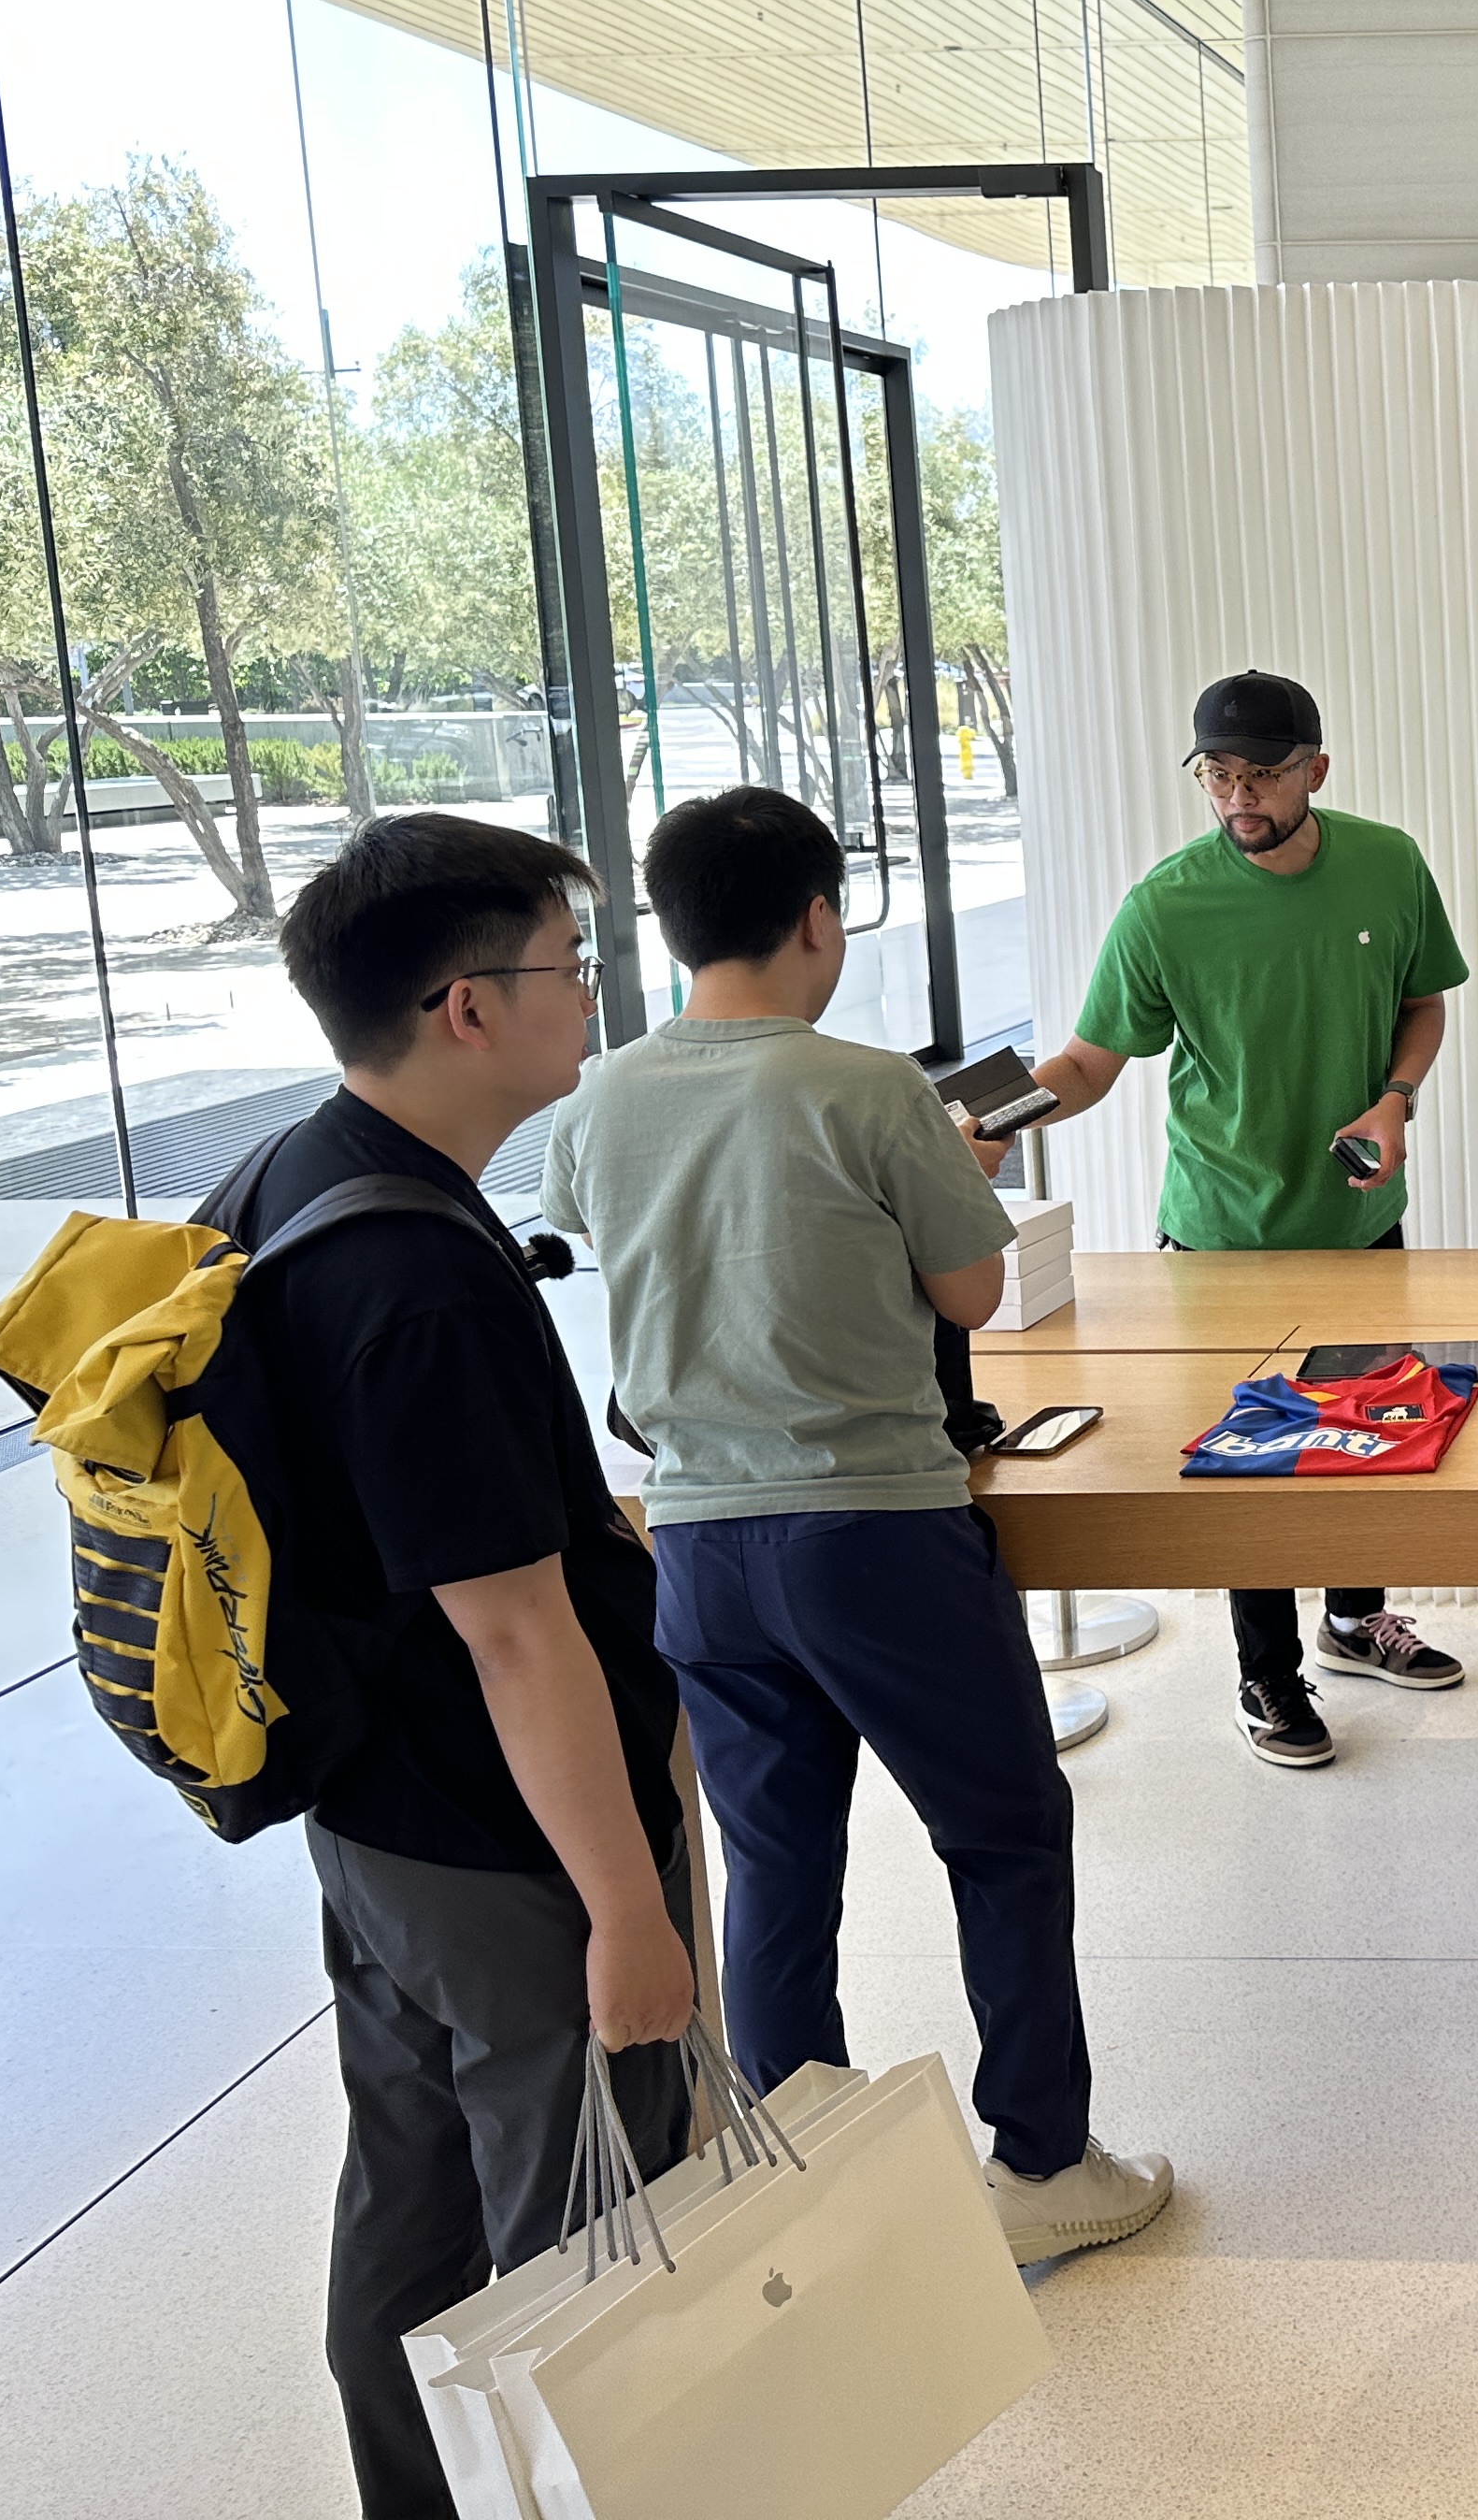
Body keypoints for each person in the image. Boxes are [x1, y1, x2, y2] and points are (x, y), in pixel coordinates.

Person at [544, 786, 1170, 2265]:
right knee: (1004, 1836)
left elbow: (608, 1238)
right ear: (820, 919)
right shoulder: (866, 1085)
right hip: (873, 1531)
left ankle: (806, 2177)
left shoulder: (600, 1098)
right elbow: (969, 1294)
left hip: (694, 1539)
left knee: (776, 1867)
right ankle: (1040, 2163)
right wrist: (953, 1182)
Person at [257, 815, 695, 2518]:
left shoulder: (301, 1174)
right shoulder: (414, 1278)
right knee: (581, 2231)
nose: (589, 998)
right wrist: (628, 1908)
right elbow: (514, 1633)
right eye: (568, 967)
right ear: (462, 1005)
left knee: (412, 2201)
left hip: (378, 1815)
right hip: (509, 1837)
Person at [1012, 669, 1475, 1766]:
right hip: (1219, 1236)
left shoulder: (1388, 863)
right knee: (1255, 1466)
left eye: (1260, 775)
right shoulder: (1166, 904)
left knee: (1369, 1433)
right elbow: (1088, 1060)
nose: (1237, 799)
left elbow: (1424, 1000)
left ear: (1315, 770)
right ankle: (1266, 1674)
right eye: (1217, 776)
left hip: (1359, 1219)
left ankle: (1357, 1620)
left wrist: (1395, 1099)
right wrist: (998, 1116)